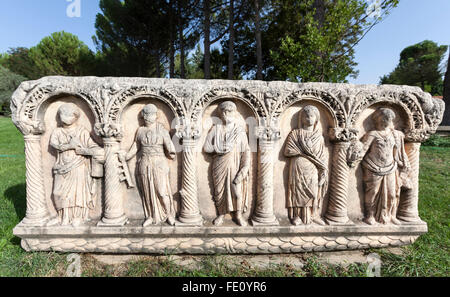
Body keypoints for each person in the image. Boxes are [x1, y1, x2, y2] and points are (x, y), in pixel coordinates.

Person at [349, 108, 410, 225]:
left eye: (388, 119)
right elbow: (364, 148)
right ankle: (370, 215)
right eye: (383, 119)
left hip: (390, 167)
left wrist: (402, 164)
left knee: (392, 194)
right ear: (377, 119)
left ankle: (390, 215)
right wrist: (356, 154)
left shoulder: (395, 135)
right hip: (373, 167)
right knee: (373, 193)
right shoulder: (373, 134)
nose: (385, 122)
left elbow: (397, 152)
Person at [120, 104, 177, 226]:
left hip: (159, 162)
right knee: (148, 192)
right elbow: (136, 146)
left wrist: (171, 151)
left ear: (156, 116)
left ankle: (169, 214)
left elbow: (170, 149)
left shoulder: (161, 130)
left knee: (162, 191)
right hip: (144, 163)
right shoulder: (140, 130)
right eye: (145, 114)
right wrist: (126, 156)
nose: (147, 117)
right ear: (143, 116)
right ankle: (150, 216)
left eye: (150, 114)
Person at [50, 103, 102, 226]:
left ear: (75, 117)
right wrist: (69, 145)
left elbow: (94, 147)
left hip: (79, 165)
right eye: (62, 114)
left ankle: (78, 216)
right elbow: (54, 144)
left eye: (68, 114)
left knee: (77, 192)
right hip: (62, 165)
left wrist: (82, 149)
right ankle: (63, 216)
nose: (64, 117)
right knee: (58, 192)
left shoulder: (81, 131)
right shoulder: (58, 131)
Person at [204, 101, 250, 226]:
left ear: (234, 113)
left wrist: (245, 168)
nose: (226, 114)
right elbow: (207, 148)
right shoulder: (216, 129)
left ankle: (238, 215)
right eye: (224, 111)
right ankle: (221, 214)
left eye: (229, 111)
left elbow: (246, 151)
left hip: (235, 165)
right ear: (220, 113)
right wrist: (219, 148)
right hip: (219, 164)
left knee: (237, 192)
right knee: (219, 191)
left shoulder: (239, 131)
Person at [284, 105, 328, 225]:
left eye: (311, 116)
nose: (308, 118)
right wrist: (303, 153)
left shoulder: (319, 137)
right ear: (301, 118)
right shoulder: (295, 134)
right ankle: (297, 216)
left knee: (313, 191)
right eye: (306, 116)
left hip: (313, 167)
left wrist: (323, 169)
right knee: (298, 191)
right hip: (298, 166)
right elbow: (287, 151)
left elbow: (322, 155)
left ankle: (313, 214)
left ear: (316, 119)